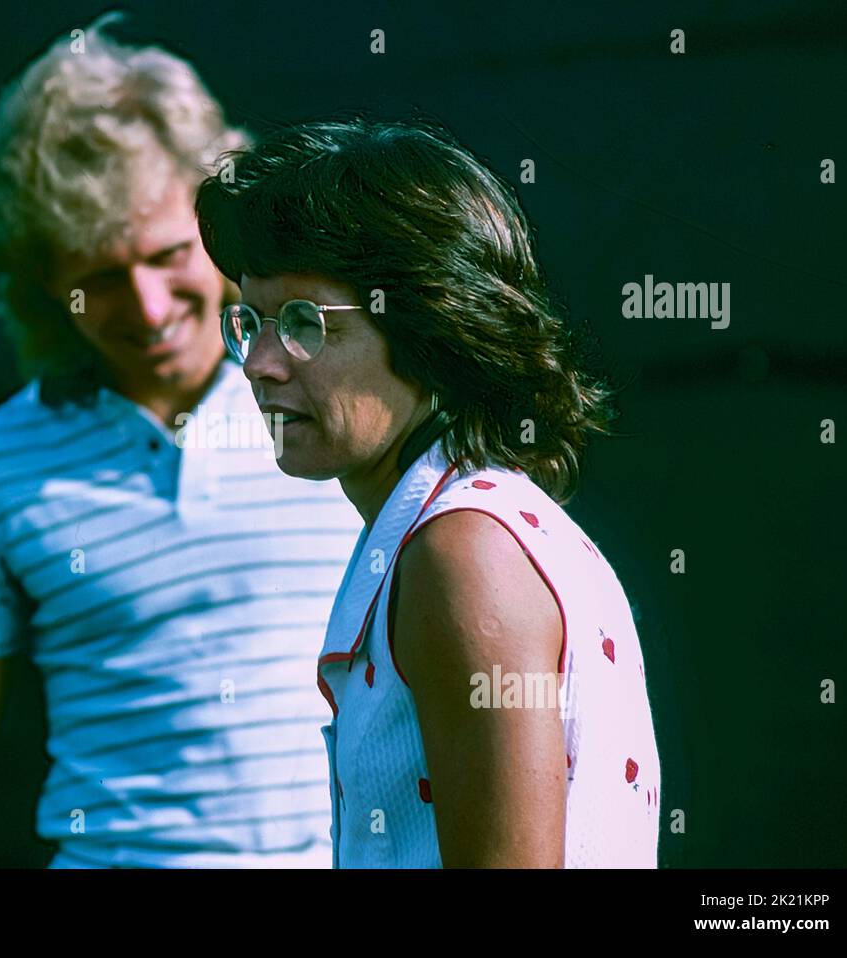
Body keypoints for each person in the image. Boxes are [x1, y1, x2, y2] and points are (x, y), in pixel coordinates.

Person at [0, 16, 363, 869]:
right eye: (98, 276)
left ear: (221, 226)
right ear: (39, 281)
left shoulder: (350, 407)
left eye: (170, 253)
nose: (144, 306)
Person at [195, 117, 663, 867]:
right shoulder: (452, 529)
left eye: (303, 323)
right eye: (249, 322)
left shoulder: (465, 552)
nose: (258, 363)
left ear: (428, 326)